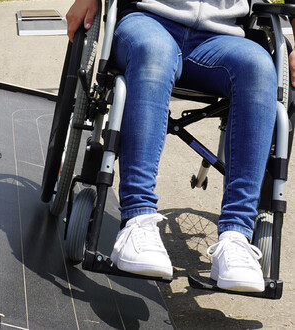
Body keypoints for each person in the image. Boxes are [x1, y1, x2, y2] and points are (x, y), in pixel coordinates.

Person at [66, 0, 295, 292]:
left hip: (221, 36)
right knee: (154, 52)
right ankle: (138, 220)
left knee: (260, 67)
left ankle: (236, 237)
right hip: (146, 20)